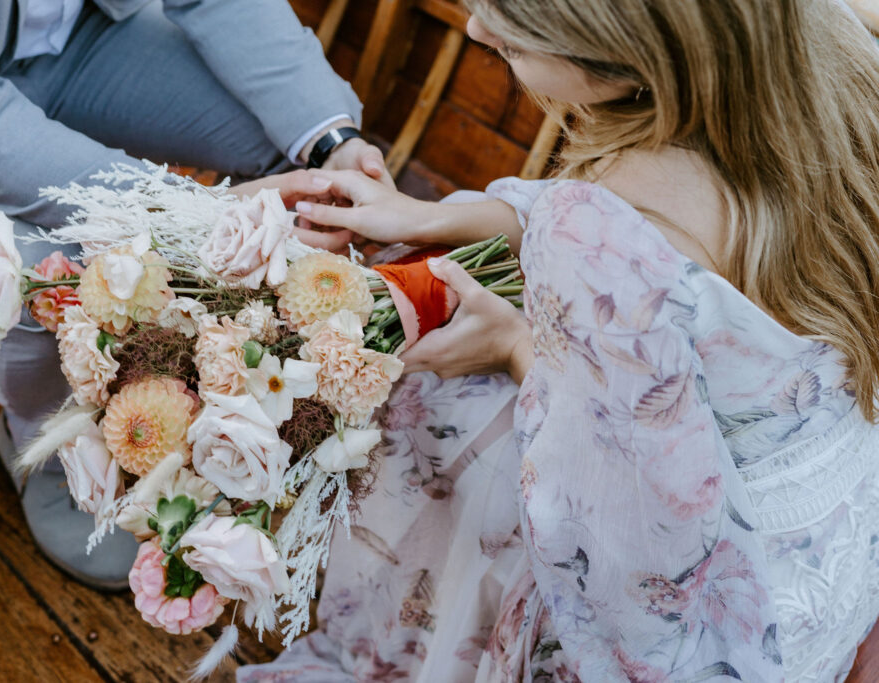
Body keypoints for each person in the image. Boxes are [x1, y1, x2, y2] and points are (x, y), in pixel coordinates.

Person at [240, 0, 879, 680]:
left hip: (715, 621)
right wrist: (428, 216)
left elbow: (635, 550)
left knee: (433, 411)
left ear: (627, 50)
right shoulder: (823, 46)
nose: (480, 29)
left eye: (516, 28)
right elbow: (650, 236)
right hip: (836, 547)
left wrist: (517, 348)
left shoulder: (602, 228)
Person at [0, 0, 389, 590]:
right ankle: (44, 444)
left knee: (294, 150)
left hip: (81, 36)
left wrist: (329, 142)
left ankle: (260, 383)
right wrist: (189, 214)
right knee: (35, 276)